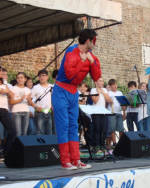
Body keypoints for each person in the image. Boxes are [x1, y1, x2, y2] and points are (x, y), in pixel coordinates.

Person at [52, 29, 101, 170]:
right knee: (64, 125)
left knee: (74, 126)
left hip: (73, 92)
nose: (95, 44)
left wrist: (93, 63)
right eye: (94, 41)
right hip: (61, 90)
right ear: (88, 41)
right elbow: (70, 74)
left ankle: (76, 160)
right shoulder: (71, 52)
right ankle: (65, 161)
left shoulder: (91, 55)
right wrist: (83, 61)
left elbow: (97, 77)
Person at [90, 78, 112, 151]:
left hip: (103, 112)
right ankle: (96, 146)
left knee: (104, 130)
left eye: (102, 81)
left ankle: (102, 145)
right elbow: (95, 101)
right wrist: (98, 92)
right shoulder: (93, 90)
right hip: (96, 113)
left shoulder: (105, 90)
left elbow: (109, 100)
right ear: (96, 82)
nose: (102, 82)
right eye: (100, 81)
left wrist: (103, 93)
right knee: (97, 130)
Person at [30, 70, 53, 135]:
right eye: (40, 76)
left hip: (49, 112)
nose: (42, 77)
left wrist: (52, 105)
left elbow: (54, 98)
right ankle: (40, 145)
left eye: (43, 75)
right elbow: (29, 100)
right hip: (39, 112)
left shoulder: (51, 87)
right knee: (40, 132)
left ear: (47, 77)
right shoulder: (35, 87)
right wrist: (35, 107)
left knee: (49, 132)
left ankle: (49, 145)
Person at [10, 72, 31, 136]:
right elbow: (11, 102)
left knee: (24, 133)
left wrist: (29, 100)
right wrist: (21, 99)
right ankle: (16, 146)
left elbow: (29, 103)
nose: (20, 79)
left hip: (26, 112)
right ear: (16, 79)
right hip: (16, 112)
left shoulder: (28, 90)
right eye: (18, 78)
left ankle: (23, 146)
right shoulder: (13, 89)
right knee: (18, 133)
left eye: (21, 78)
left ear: (25, 79)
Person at [107, 79, 125, 148]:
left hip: (119, 112)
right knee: (112, 129)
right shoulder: (108, 93)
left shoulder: (120, 93)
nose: (115, 86)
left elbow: (123, 103)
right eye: (113, 85)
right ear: (110, 86)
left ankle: (121, 143)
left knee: (121, 129)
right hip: (111, 113)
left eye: (115, 84)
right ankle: (114, 143)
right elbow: (106, 103)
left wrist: (124, 112)